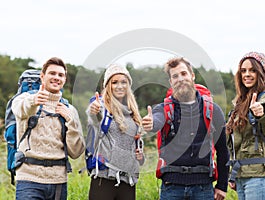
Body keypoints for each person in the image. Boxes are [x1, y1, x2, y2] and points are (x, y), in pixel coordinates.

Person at [142, 57, 229, 200]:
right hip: (171, 187)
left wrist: (222, 185)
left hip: (203, 187)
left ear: (192, 76)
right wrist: (151, 124)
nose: (180, 79)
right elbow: (157, 120)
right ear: (171, 82)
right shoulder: (163, 109)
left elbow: (223, 150)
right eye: (175, 76)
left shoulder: (213, 110)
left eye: (183, 73)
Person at [12, 57, 86, 200]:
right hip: (29, 178)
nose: (56, 78)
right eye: (52, 73)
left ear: (64, 80)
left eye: (61, 75)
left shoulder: (70, 110)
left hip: (58, 181)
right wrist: (34, 101)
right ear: (42, 76)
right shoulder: (23, 99)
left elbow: (76, 152)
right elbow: (21, 110)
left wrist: (70, 121)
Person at [226, 52, 265, 200]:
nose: (247, 74)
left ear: (261, 73)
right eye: (243, 71)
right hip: (241, 176)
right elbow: (236, 143)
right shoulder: (239, 103)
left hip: (259, 177)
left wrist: (260, 110)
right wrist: (233, 173)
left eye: (253, 70)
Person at [87, 64, 144, 200]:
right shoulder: (101, 108)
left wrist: (141, 157)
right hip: (104, 178)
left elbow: (136, 147)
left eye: (124, 82)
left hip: (128, 180)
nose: (120, 86)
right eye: (114, 82)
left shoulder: (133, 114)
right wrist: (92, 111)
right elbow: (93, 119)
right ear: (108, 86)